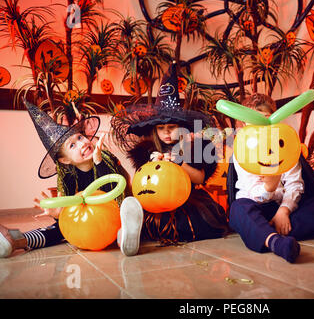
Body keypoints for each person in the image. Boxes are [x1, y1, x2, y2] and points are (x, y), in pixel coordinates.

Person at [111, 61, 230, 245]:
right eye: (161, 128)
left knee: (194, 222)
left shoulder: (194, 147)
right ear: (155, 130)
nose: (166, 132)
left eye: (172, 127)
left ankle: (138, 232)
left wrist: (178, 163)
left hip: (188, 200)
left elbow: (199, 178)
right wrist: (152, 166)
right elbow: (142, 184)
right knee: (150, 215)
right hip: (156, 201)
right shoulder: (148, 151)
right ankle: (129, 232)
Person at [0, 102, 140, 258]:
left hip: (114, 211)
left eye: (80, 137)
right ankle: (15, 240)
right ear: (65, 160)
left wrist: (98, 160)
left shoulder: (103, 157)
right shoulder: (66, 174)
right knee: (59, 229)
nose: (82, 143)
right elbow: (67, 207)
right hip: (89, 219)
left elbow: (115, 189)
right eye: (72, 145)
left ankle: (125, 236)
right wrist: (57, 214)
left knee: (123, 220)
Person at [226, 93, 314, 263]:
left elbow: (295, 184)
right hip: (256, 206)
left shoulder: (285, 146)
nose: (261, 125)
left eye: (265, 118)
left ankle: (262, 232)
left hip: (285, 209)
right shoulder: (242, 151)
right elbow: (249, 190)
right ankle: (275, 241)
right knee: (238, 209)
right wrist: (268, 188)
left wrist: (284, 210)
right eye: (254, 120)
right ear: (244, 124)